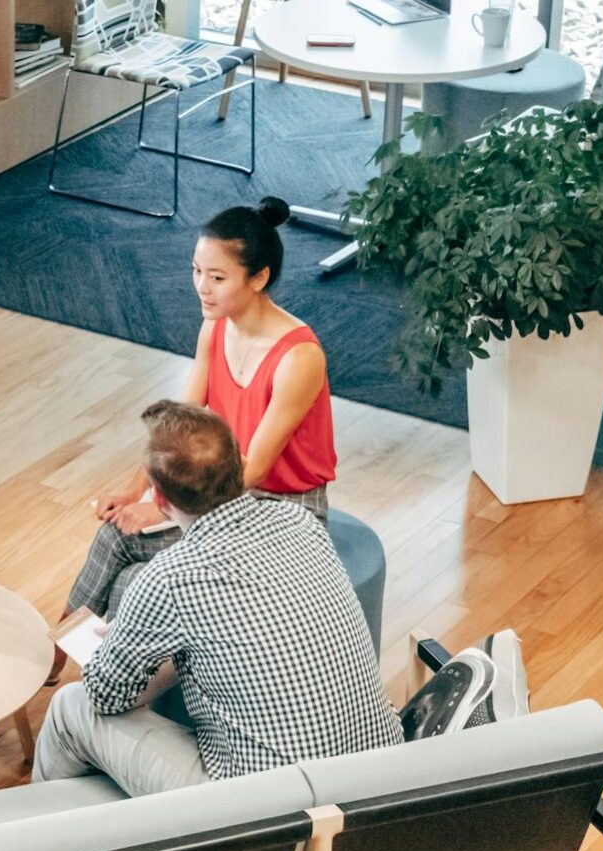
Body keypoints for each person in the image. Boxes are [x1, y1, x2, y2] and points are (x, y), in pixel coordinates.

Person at [33, 401, 400, 796]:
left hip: (266, 810)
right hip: (375, 779)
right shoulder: (302, 523)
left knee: (70, 708)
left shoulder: (170, 578)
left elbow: (106, 696)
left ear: (159, 502)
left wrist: (126, 643)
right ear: (240, 465)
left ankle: (39, 840)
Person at [50, 196, 336, 681]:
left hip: (282, 510)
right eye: (196, 271)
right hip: (218, 489)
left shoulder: (299, 357)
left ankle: (110, 692)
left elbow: (253, 471)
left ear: (259, 277)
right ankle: (54, 658)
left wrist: (163, 508)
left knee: (139, 583)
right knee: (113, 535)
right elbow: (178, 427)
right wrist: (134, 491)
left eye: (218, 277)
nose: (202, 287)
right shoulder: (215, 326)